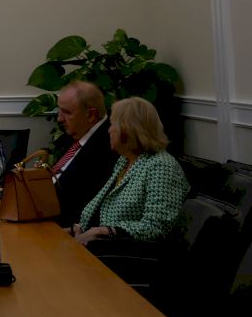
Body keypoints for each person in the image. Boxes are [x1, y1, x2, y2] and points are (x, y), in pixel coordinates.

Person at [73, 97, 188, 244]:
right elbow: (104, 208)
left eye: (112, 125)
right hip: (99, 245)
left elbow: (156, 227)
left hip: (127, 252)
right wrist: (78, 229)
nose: (109, 130)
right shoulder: (125, 160)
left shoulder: (162, 166)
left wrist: (105, 232)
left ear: (127, 130)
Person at [51, 80, 115, 228]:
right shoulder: (76, 134)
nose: (59, 118)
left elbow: (80, 203)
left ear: (91, 115)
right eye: (60, 110)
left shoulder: (108, 145)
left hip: (65, 228)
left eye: (67, 112)